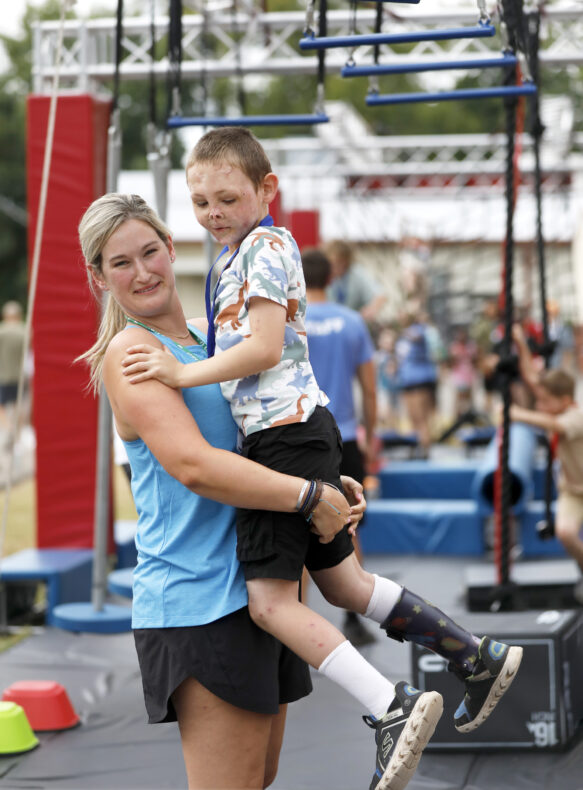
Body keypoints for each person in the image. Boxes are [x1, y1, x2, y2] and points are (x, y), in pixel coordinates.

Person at [121, 128, 523, 790]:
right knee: (344, 585)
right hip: (296, 435)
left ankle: (389, 706)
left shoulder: (265, 248)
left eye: (226, 197)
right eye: (199, 203)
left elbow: (263, 349)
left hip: (284, 435)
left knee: (270, 604)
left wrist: (176, 374)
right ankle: (472, 656)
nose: (213, 212)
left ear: (266, 190)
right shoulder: (233, 256)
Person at [77, 192, 364, 790]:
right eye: (120, 263)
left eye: (150, 251)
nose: (143, 271)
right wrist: (309, 499)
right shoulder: (133, 351)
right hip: (199, 599)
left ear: (171, 247)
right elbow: (195, 467)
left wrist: (325, 482)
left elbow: (263, 439)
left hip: (264, 587)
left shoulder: (213, 343)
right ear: (99, 278)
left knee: (258, 781)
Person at [302, 246, 378, 647]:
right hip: (344, 434)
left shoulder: (285, 320)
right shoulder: (352, 322)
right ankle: (355, 617)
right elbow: (368, 386)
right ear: (332, 278)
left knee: (293, 523)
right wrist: (374, 432)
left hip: (297, 434)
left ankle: (293, 624)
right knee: (349, 523)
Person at [510, 324, 583, 601]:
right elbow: (532, 379)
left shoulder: (575, 417)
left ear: (564, 401)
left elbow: (554, 423)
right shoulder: (556, 406)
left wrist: (519, 413)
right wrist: (521, 343)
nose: (540, 405)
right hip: (573, 491)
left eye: (546, 401)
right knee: (565, 532)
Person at [394, 311, 439, 459]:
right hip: (407, 381)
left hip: (419, 381)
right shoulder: (402, 338)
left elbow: (418, 336)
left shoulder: (418, 331)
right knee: (413, 418)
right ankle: (418, 447)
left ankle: (425, 450)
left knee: (421, 418)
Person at [323, 239, 387, 326]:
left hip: (352, 325)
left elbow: (380, 295)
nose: (333, 268)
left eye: (337, 263)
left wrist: (370, 310)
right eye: (330, 264)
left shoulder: (357, 274)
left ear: (346, 261)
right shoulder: (324, 275)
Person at [0, 301, 27, 445]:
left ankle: (8, 427)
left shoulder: (2, 331)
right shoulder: (24, 331)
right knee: (20, 405)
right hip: (20, 376)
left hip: (3, 375)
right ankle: (17, 433)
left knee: (1, 406)